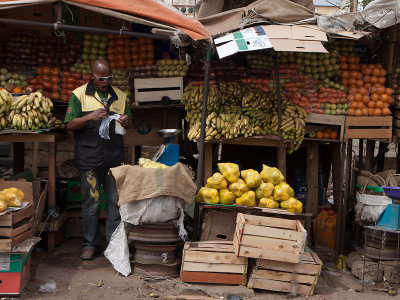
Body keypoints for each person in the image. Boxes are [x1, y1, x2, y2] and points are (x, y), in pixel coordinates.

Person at [64, 59, 132, 260]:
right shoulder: (78, 95)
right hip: (89, 159)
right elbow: (69, 125)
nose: (105, 82)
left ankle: (113, 244)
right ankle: (90, 243)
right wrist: (88, 117)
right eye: (102, 78)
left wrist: (127, 120)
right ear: (92, 75)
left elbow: (128, 122)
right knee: (91, 202)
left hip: (113, 158)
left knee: (115, 202)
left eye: (109, 78)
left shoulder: (119, 95)